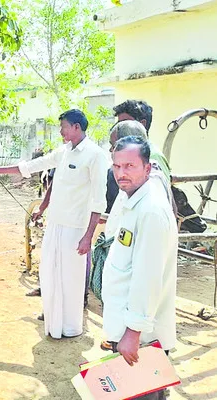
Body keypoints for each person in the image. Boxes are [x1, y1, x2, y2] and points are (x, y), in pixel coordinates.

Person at [0, 109, 108, 339]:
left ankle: (70, 327)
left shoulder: (95, 155)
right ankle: (53, 323)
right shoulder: (64, 151)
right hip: (55, 224)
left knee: (71, 279)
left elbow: (99, 199)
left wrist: (88, 236)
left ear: (77, 127)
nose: (60, 131)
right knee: (50, 273)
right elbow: (36, 168)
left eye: (64, 127)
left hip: (76, 229)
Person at [102, 136, 177, 400]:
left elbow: (147, 278)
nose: (121, 174)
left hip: (141, 337)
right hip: (128, 328)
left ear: (148, 168)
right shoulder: (134, 201)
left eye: (130, 166)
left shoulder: (151, 211)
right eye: (117, 166)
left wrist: (132, 334)